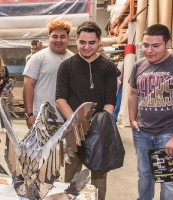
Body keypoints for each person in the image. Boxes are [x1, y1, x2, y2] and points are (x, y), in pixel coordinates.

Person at [128, 24, 173, 200]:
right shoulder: (138, 66)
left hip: (168, 133)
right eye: (146, 45)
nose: (149, 50)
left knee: (169, 184)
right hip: (142, 132)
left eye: (156, 46)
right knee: (144, 177)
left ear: (168, 43)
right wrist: (132, 119)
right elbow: (133, 94)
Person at [56, 21, 117, 200]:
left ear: (99, 42)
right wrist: (77, 124)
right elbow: (60, 99)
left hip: (100, 129)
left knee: (99, 177)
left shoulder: (108, 67)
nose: (87, 47)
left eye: (92, 42)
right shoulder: (66, 66)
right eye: (82, 42)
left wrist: (99, 127)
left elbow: (110, 101)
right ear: (77, 40)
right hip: (74, 130)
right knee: (72, 177)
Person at [23, 20, 74, 128]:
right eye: (55, 36)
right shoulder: (38, 58)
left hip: (68, 118)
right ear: (48, 37)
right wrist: (29, 114)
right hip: (42, 119)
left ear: (68, 39)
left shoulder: (73, 59)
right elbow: (28, 86)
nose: (58, 40)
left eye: (63, 36)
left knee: (66, 146)